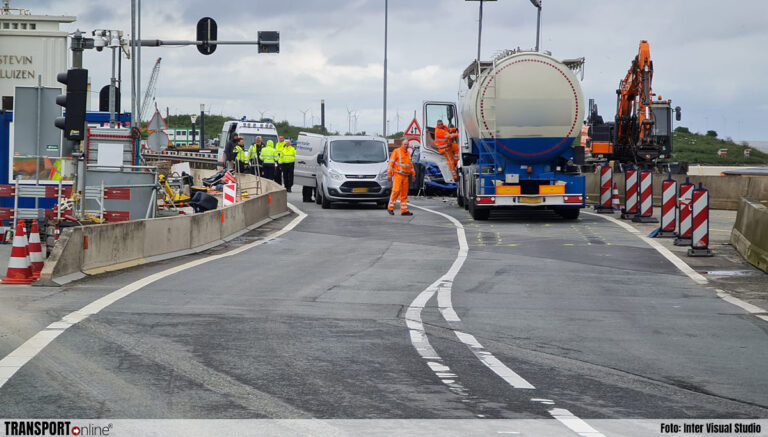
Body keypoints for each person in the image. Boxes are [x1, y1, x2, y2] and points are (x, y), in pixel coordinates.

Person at [387, 139, 415, 216]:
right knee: (396, 191)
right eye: (405, 144)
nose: (406, 146)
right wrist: (389, 174)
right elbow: (391, 163)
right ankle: (390, 208)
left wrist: (413, 174)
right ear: (402, 145)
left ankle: (404, 210)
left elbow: (410, 165)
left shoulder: (408, 153)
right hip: (398, 175)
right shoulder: (396, 151)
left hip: (406, 176)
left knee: (404, 193)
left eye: (407, 144)